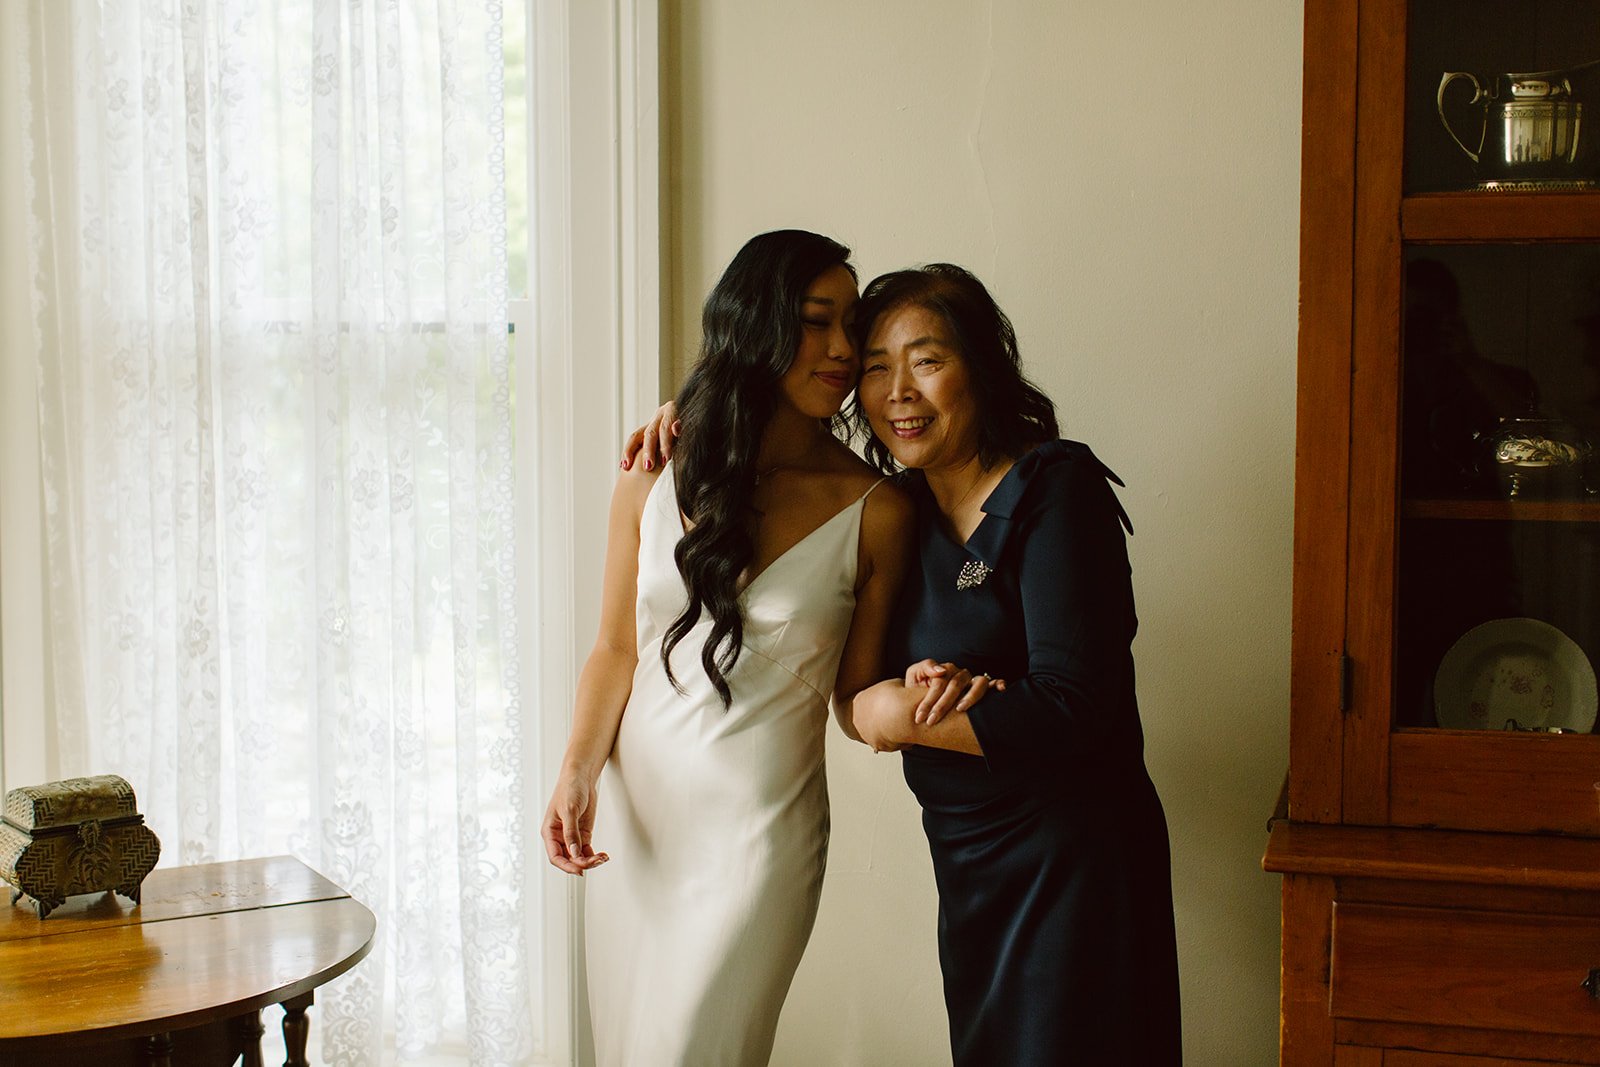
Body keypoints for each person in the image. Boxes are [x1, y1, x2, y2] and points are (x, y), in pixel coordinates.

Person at [626, 263, 1182, 1065]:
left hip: (1076, 861)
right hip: (969, 865)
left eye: (926, 360)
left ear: (980, 367)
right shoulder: (896, 510)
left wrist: (908, 716)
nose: (899, 392)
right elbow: (859, 696)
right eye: (878, 367)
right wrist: (691, 416)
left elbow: (1075, 707)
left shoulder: (1057, 490)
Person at [541, 229, 916, 1067]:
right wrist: (575, 769)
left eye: (851, 325)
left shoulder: (878, 510)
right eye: (817, 322)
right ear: (755, 328)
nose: (843, 349)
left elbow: (855, 702)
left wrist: (913, 704)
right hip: (640, 827)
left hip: (759, 837)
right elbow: (613, 647)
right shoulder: (651, 472)